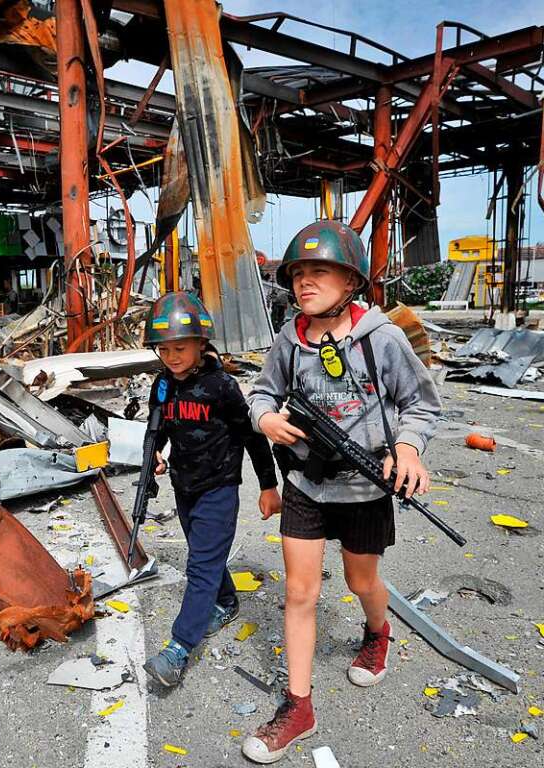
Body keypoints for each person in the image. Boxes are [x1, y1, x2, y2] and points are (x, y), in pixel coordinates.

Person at [243, 221, 441, 763]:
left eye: (320, 271)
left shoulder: (383, 338)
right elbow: (262, 391)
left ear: (351, 280)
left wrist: (409, 449)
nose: (306, 282)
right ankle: (298, 706)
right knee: (299, 593)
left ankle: (378, 633)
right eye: (299, 274)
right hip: (306, 483)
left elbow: (422, 404)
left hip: (365, 487)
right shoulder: (291, 336)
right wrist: (266, 420)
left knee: (362, 580)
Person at [141, 291, 282, 687]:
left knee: (200, 566)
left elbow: (254, 438)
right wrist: (153, 458)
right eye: (164, 349)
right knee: (206, 555)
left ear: (202, 343)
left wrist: (268, 486)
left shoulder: (222, 387)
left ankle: (178, 649)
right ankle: (226, 602)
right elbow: (158, 431)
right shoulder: (163, 386)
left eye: (180, 347)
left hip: (219, 488)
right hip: (184, 486)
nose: (171, 356)